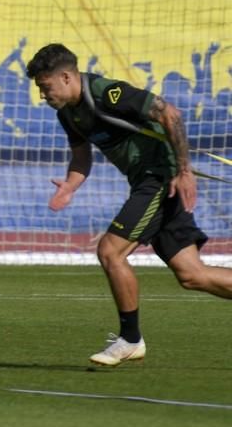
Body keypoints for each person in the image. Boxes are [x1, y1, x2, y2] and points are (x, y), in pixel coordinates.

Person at [26, 43, 232, 367]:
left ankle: (130, 339)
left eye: (45, 86)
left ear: (65, 77)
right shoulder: (68, 114)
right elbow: (81, 157)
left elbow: (170, 113)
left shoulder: (107, 94)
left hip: (160, 179)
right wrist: (70, 185)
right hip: (148, 182)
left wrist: (184, 170)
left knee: (110, 251)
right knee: (193, 275)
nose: (42, 95)